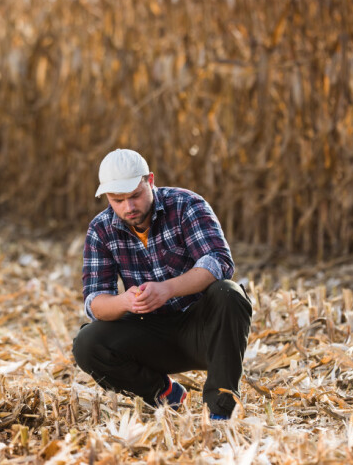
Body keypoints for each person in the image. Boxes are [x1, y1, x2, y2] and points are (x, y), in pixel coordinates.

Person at [72, 148, 253, 420]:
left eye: (135, 195)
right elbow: (95, 302)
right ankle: (164, 393)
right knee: (87, 343)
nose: (128, 207)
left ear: (151, 181)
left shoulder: (186, 204)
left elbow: (219, 262)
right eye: (117, 200)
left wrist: (167, 289)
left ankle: (220, 410)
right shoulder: (100, 229)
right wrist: (125, 302)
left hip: (204, 331)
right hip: (151, 335)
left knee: (229, 293)